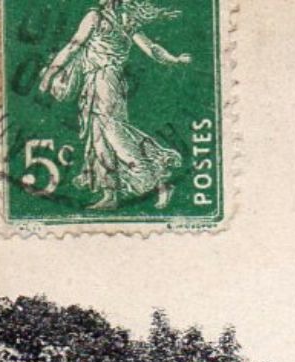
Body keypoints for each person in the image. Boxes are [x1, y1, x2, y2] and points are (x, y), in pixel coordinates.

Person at [36, 0, 192, 210]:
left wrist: (49, 74)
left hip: (103, 82)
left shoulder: (95, 17)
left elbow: (72, 47)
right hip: (107, 83)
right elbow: (152, 49)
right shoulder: (127, 21)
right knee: (100, 138)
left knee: (113, 135)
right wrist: (174, 59)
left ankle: (158, 177)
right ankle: (111, 194)